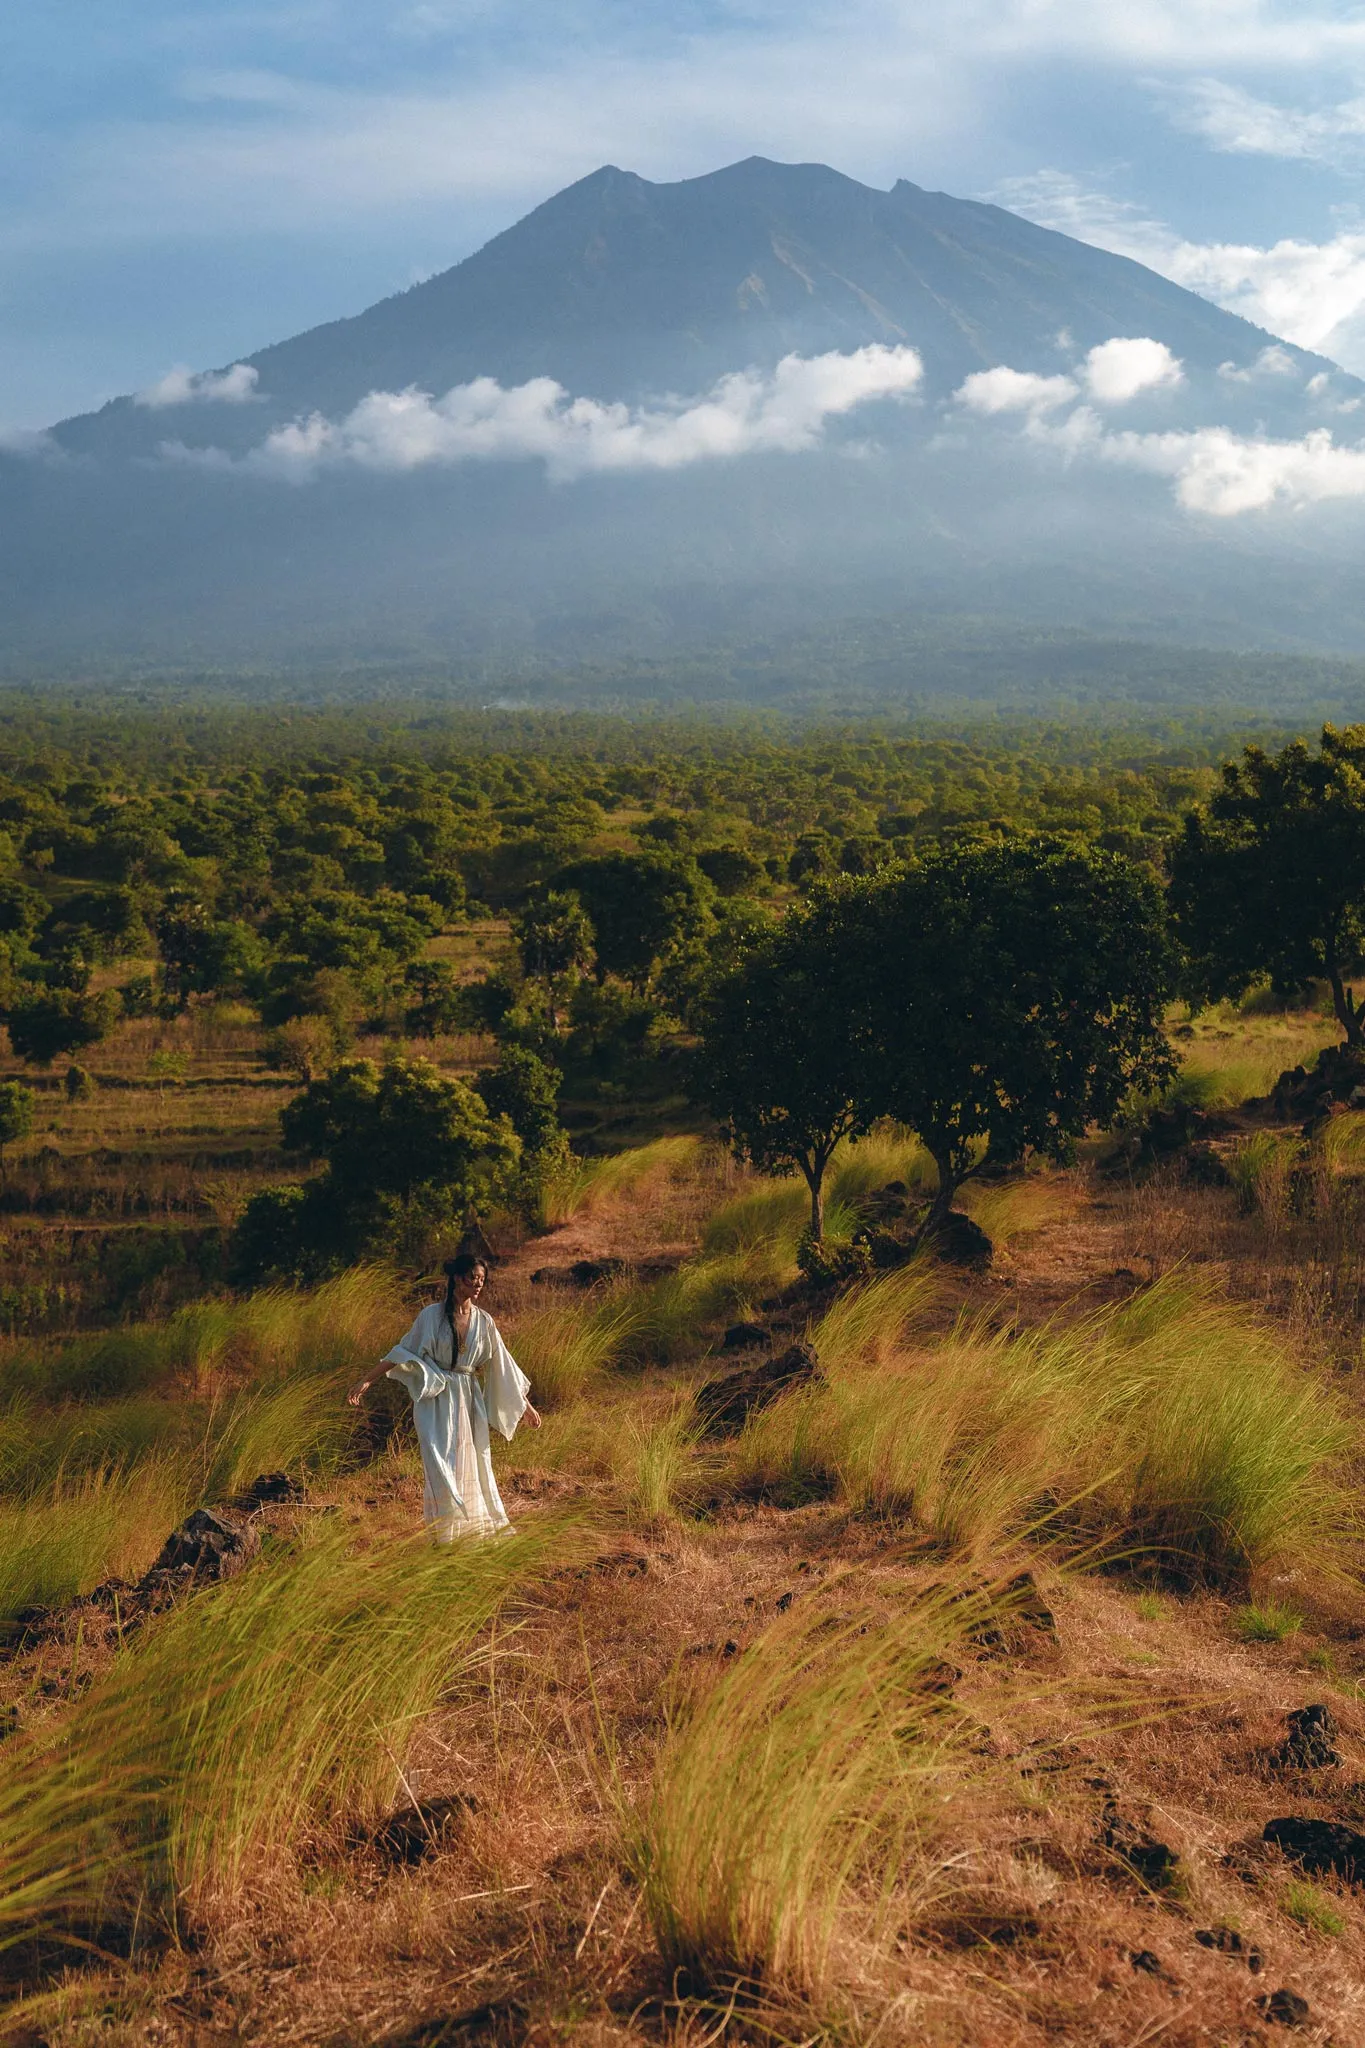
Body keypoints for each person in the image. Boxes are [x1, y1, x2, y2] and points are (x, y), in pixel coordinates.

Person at [347, 1253, 541, 1539]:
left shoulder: (484, 1322)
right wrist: (368, 1379)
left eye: (482, 1280)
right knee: (439, 1462)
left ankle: (473, 1531)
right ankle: (443, 1535)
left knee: (473, 1461)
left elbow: (501, 1364)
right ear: (456, 1278)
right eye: (472, 1278)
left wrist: (525, 1405)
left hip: (468, 1396)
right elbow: (404, 1350)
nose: (477, 1284)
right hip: (436, 1398)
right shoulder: (430, 1316)